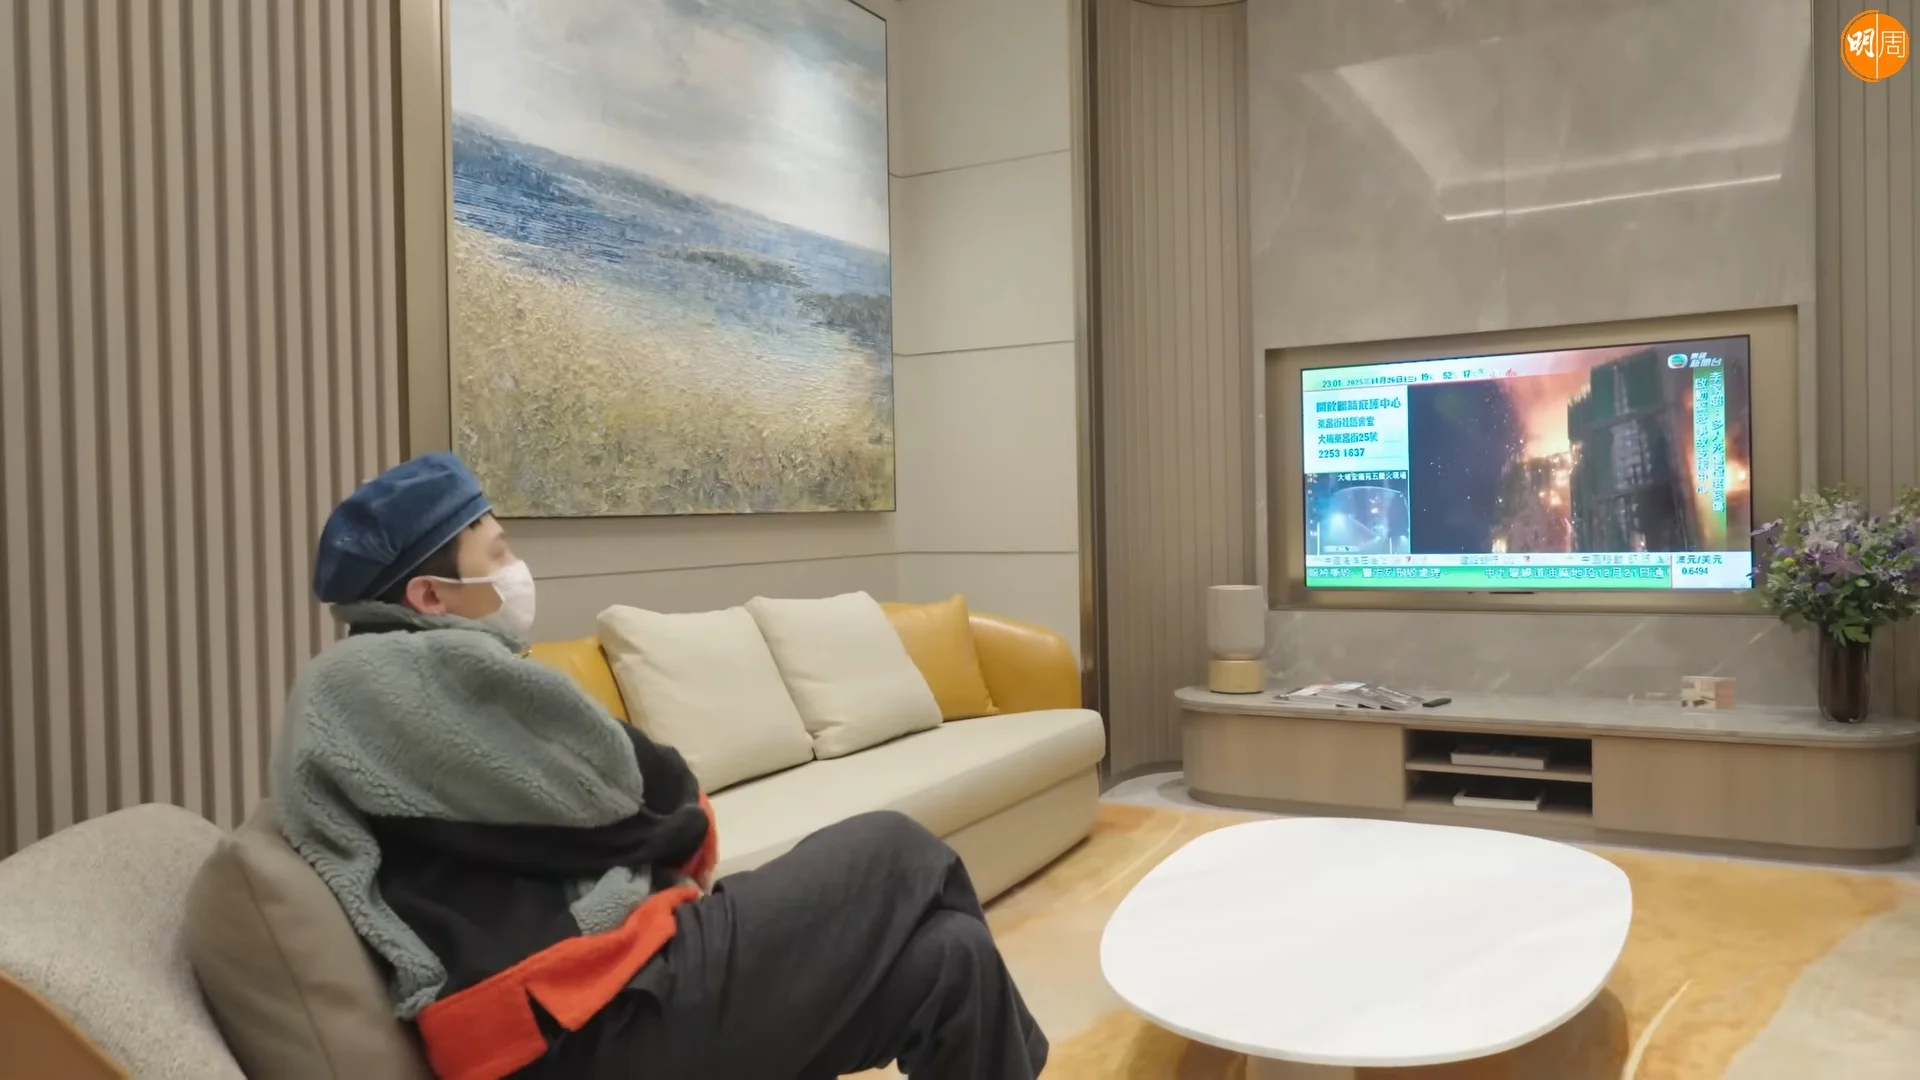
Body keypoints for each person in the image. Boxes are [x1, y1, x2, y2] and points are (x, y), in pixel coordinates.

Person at [272, 452, 1047, 1080]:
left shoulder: (398, 681)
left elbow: (584, 804)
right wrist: (668, 806)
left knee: (952, 961)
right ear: (430, 595)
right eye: (497, 552)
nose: (516, 569)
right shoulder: (387, 679)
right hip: (583, 1022)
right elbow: (627, 789)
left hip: (606, 986)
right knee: (896, 849)